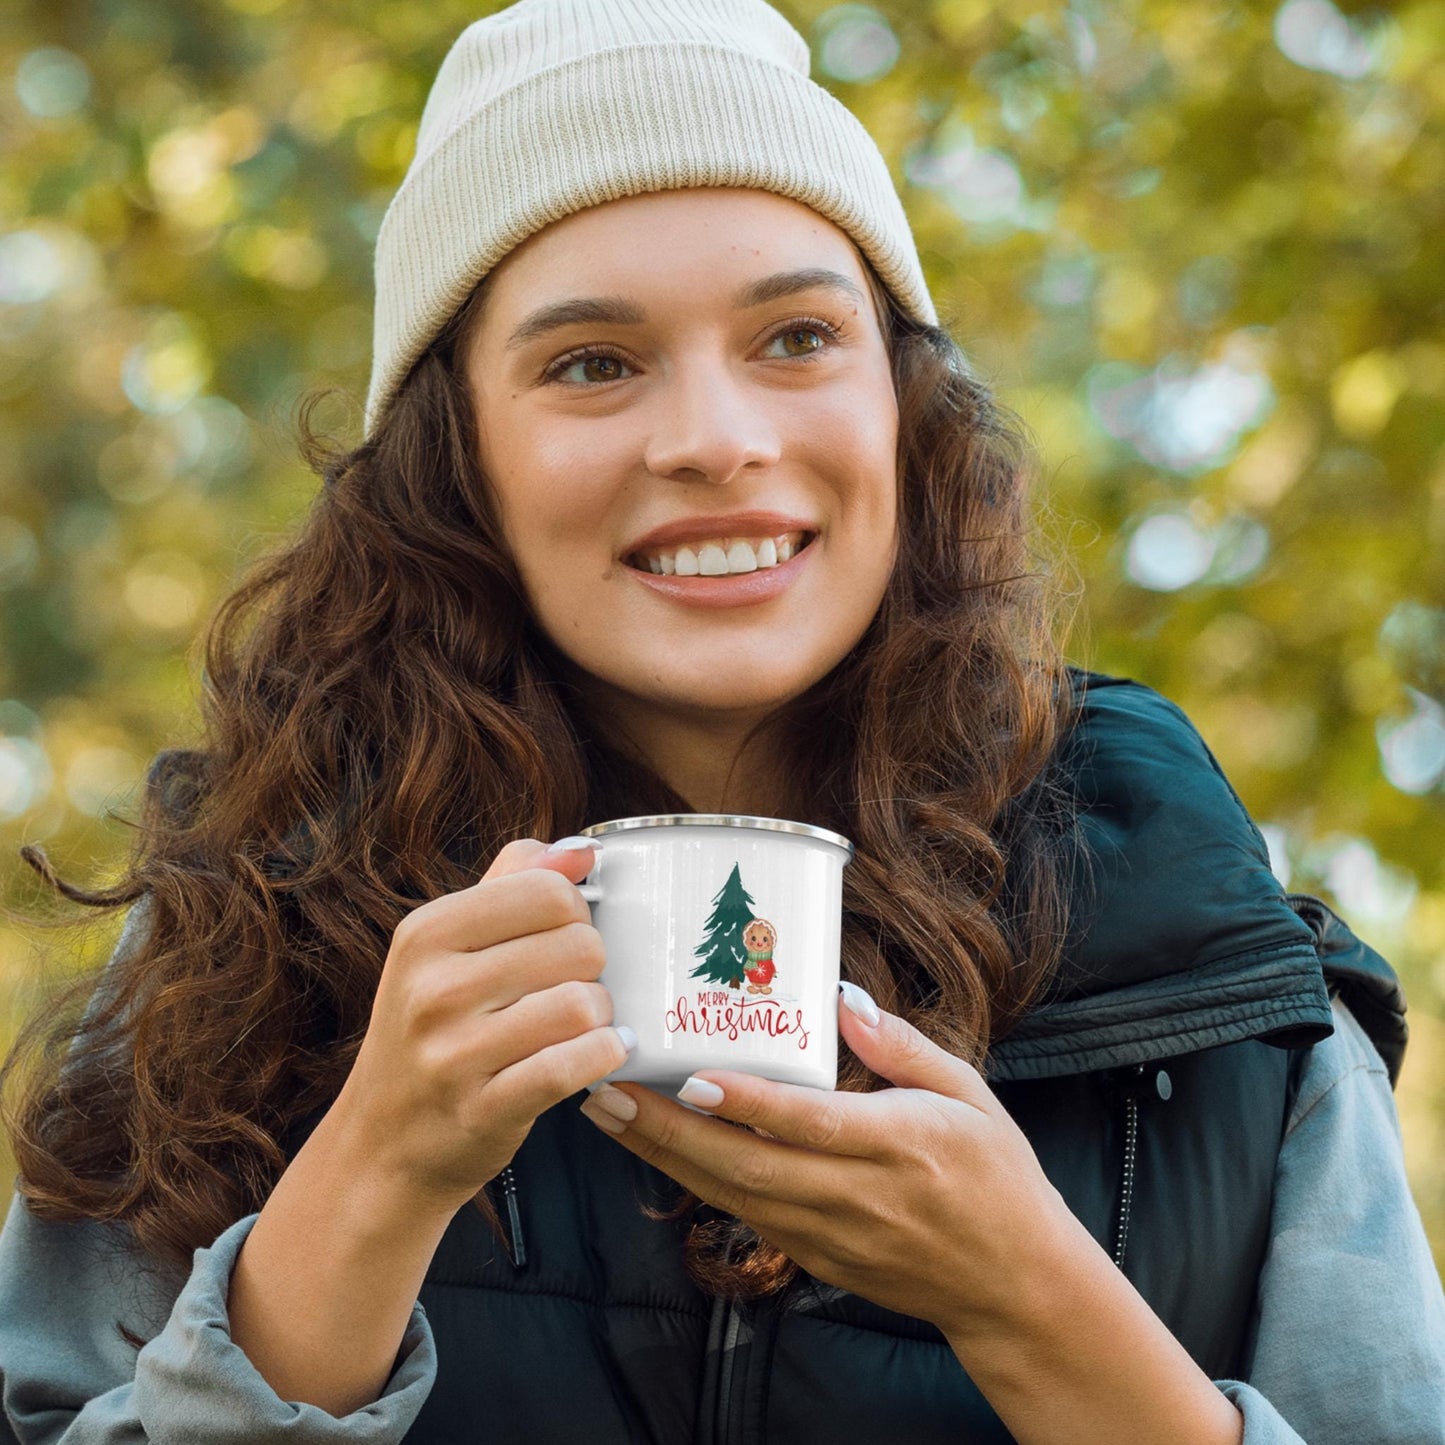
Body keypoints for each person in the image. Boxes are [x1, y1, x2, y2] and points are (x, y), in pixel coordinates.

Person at [1, 1, 1442, 1441]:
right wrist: (365, 1185)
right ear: (458, 459)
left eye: (797, 335)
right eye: (591, 363)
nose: (714, 438)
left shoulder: (1192, 922)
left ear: (900, 402)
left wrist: (1025, 1297)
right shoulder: (237, 933)